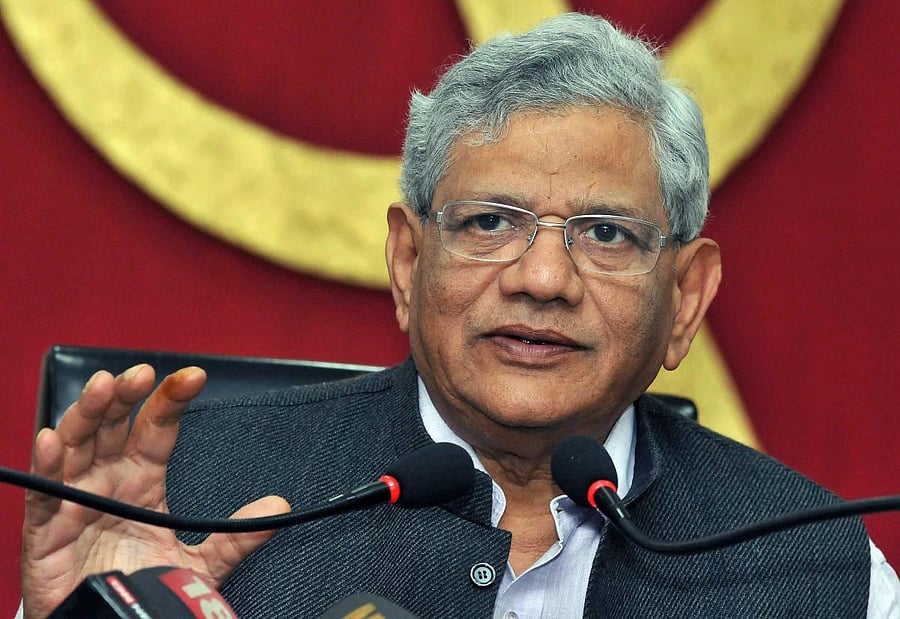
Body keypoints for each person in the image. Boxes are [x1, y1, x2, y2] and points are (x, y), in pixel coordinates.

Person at [19, 12, 899, 619]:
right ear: (407, 262)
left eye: (605, 232)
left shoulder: (813, 566)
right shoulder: (191, 499)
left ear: (686, 299)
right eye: (490, 222)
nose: (544, 277)